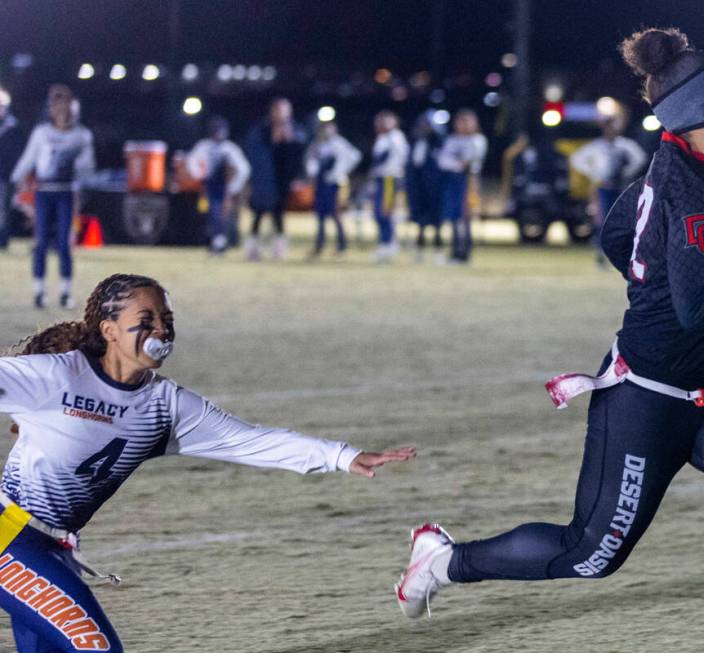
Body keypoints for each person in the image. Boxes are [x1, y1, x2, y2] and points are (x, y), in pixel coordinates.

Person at [395, 27, 704, 653]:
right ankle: (443, 561)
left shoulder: (681, 166)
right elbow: (701, 307)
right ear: (700, 122)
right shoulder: (699, 200)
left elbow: (617, 233)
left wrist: (651, 277)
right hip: (648, 403)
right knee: (591, 554)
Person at [0, 273, 415, 651]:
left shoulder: (165, 406)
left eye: (166, 318)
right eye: (147, 318)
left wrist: (341, 456)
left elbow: (249, 441)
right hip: (10, 538)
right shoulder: (57, 376)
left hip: (53, 547)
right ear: (108, 330)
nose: (161, 329)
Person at [10, 85, 95, 310]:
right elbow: (29, 158)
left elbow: (89, 167)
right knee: (40, 242)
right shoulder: (41, 133)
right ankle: (39, 290)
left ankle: (66, 291)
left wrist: (77, 163)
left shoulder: (81, 135)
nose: (60, 111)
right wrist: (15, 178)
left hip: (66, 191)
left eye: (64, 106)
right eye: (55, 106)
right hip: (44, 192)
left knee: (65, 244)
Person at [569, 111, 646, 266]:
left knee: (625, 220)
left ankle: (626, 253)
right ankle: (601, 255)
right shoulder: (597, 146)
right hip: (602, 187)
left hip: (621, 187)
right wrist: (593, 173)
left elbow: (640, 158)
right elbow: (576, 158)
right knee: (601, 220)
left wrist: (627, 173)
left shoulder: (624, 145)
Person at [244, 98, 307, 261]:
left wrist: (290, 139)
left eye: (285, 110)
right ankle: (253, 248)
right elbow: (254, 150)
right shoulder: (262, 129)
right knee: (258, 213)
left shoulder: (295, 129)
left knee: (278, 213)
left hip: (282, 181)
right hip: (264, 180)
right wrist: (273, 139)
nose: (281, 114)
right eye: (278, 110)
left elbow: (300, 153)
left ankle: (278, 248)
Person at [186, 116, 251, 255]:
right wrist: (198, 175)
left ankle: (222, 241)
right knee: (212, 213)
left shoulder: (230, 149)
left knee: (224, 214)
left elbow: (243, 168)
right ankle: (217, 241)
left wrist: (234, 187)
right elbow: (192, 160)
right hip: (210, 184)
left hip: (226, 187)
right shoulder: (204, 146)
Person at [303, 120, 361, 258]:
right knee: (320, 215)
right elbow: (310, 161)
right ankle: (319, 245)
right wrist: (312, 174)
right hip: (320, 184)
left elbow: (355, 156)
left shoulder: (338, 143)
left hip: (334, 184)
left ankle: (341, 245)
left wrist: (339, 171)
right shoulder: (317, 144)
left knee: (335, 214)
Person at [436, 109, 487, 264]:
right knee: (454, 216)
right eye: (460, 121)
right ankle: (455, 252)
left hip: (468, 180)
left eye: (467, 121)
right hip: (452, 181)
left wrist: (456, 163)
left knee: (465, 217)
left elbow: (468, 161)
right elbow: (442, 161)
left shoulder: (477, 139)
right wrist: (456, 164)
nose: (463, 125)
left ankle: (464, 252)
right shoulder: (452, 140)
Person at [368, 110, 408, 263]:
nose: (382, 124)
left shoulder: (396, 137)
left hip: (390, 179)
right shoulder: (382, 137)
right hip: (381, 179)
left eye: (386, 120)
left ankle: (389, 244)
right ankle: (385, 243)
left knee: (385, 212)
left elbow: (399, 158)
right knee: (378, 213)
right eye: (379, 121)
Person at [405, 112, 445, 261]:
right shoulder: (415, 140)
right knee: (420, 218)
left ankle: (439, 249)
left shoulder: (438, 140)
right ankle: (419, 249)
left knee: (435, 218)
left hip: (434, 185)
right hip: (418, 184)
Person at [0, 87, 27, 252]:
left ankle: (2, 239)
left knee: (2, 210)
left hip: (3, 175)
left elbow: (14, 155)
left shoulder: (13, 128)